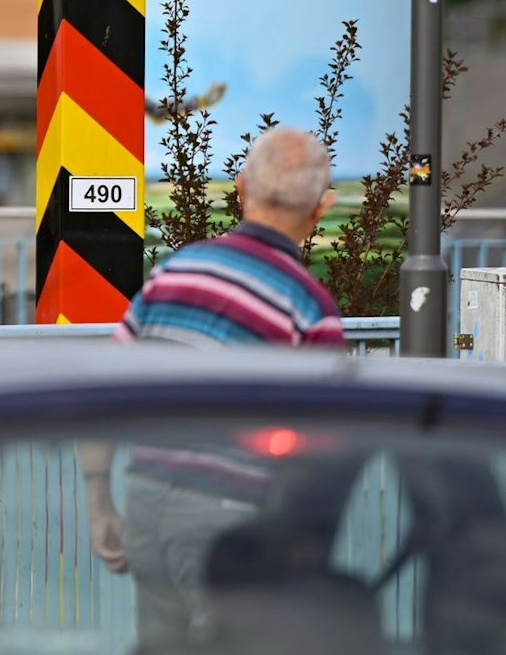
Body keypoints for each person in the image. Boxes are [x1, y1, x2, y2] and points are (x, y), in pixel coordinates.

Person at [85, 126, 345, 648]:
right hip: (231, 520)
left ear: (242, 188)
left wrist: (100, 504)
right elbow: (319, 453)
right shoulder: (311, 311)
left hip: (146, 503)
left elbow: (105, 383)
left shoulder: (175, 272)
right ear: (321, 208)